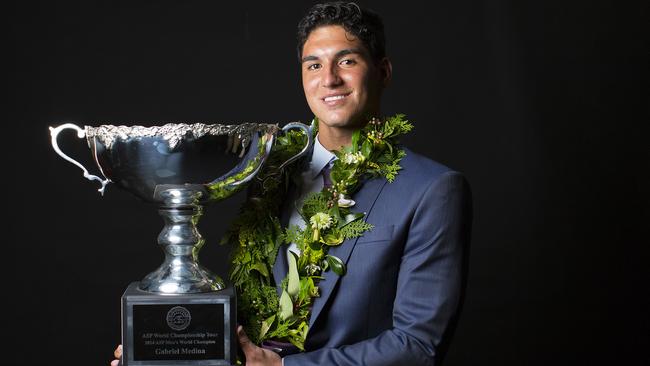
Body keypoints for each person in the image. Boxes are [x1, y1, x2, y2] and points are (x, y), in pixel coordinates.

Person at [112, 2, 471, 365]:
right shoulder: (269, 172)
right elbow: (257, 317)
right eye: (314, 65)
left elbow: (418, 346)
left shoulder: (432, 189)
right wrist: (163, 346)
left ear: (383, 71)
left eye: (347, 61)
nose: (329, 79)